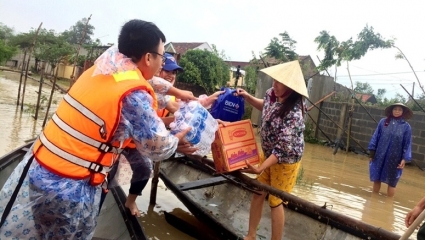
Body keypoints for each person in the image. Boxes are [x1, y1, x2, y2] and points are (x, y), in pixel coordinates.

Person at [0, 19, 196, 239]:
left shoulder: (104, 66)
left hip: (40, 169)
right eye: (161, 57)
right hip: (69, 188)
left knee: (42, 232)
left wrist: (176, 92)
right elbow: (157, 147)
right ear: (148, 57)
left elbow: (155, 83)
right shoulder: (134, 94)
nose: (162, 65)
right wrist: (176, 141)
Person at [122, 53, 224, 216]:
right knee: (108, 174)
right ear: (156, 70)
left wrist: (208, 118)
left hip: (141, 142)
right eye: (167, 71)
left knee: (144, 168)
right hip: (125, 139)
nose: (170, 75)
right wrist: (175, 142)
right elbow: (148, 126)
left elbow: (181, 111)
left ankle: (131, 200)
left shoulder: (165, 96)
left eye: (174, 72)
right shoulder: (143, 90)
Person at [235, 61, 308, 240]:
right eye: (274, 80)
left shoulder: (295, 113)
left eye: (279, 82)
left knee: (275, 201)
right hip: (269, 154)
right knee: (258, 191)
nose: (274, 84)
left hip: (285, 161)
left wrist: (260, 168)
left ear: (290, 87)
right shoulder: (271, 94)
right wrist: (247, 97)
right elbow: (265, 106)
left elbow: (282, 149)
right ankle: (251, 235)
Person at [368, 103, 412, 197]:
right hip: (380, 155)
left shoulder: (406, 127)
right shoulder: (383, 122)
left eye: (399, 110)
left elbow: (407, 144)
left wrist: (404, 159)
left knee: (392, 181)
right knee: (377, 178)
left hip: (395, 158)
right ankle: (374, 198)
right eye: (395, 109)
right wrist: (372, 153)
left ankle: (389, 202)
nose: (397, 111)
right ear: (391, 111)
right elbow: (376, 137)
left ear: (403, 112)